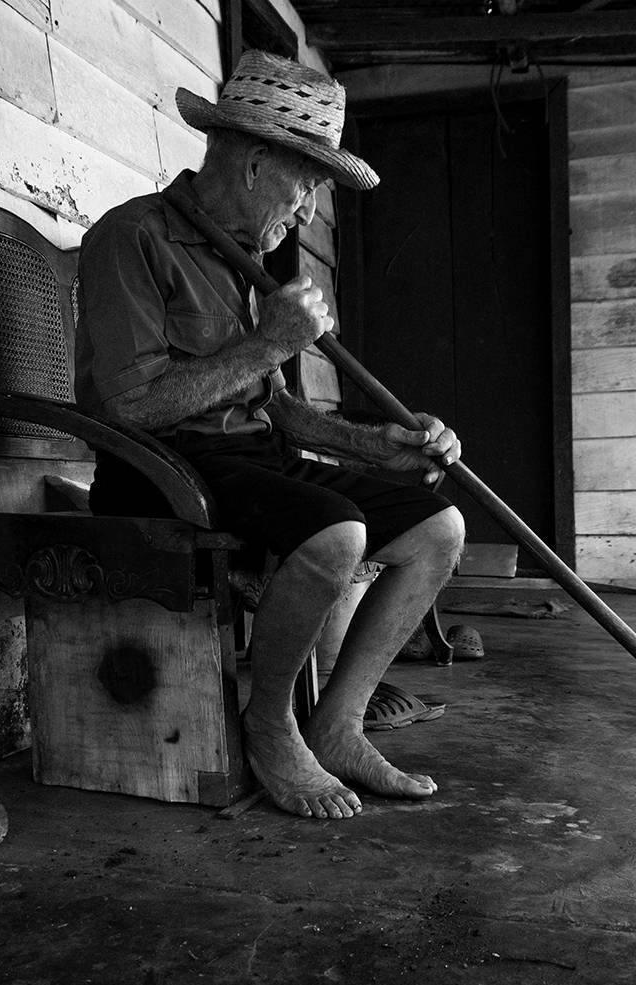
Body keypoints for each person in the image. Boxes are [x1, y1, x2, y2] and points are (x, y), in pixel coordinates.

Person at [75, 50, 466, 821]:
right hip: (165, 470)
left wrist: (375, 444)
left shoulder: (246, 258)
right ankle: (271, 723)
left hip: (253, 461)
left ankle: (339, 726)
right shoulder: (131, 237)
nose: (309, 212)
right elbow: (129, 407)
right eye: (306, 184)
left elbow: (277, 408)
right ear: (255, 164)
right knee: (335, 533)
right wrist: (269, 342)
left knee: (439, 529)